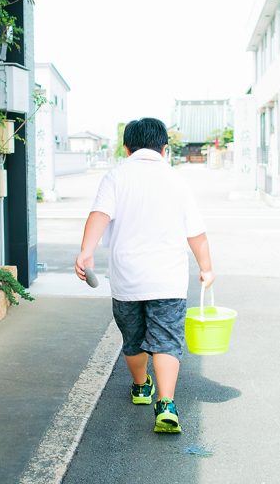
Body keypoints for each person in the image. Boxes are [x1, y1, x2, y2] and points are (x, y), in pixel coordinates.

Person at [74, 117, 214, 433]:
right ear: (164, 149)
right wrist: (206, 269)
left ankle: (140, 387)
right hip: (168, 279)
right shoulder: (176, 180)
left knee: (133, 338)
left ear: (126, 148)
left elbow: (100, 215)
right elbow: (197, 233)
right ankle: (166, 405)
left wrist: (87, 250)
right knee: (167, 340)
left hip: (127, 279)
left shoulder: (116, 176)